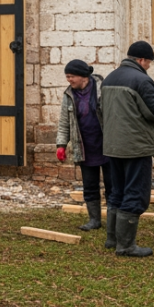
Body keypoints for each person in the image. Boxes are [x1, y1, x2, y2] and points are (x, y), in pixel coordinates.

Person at [100, 41, 154, 257]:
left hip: (113, 146)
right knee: (135, 193)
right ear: (142, 60)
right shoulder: (142, 80)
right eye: (148, 62)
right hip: (136, 147)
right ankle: (126, 246)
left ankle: (112, 239)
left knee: (117, 192)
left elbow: (100, 111)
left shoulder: (110, 78)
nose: (149, 66)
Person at [55, 59, 108, 232]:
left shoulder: (103, 89)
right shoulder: (69, 95)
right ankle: (94, 220)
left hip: (107, 146)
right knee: (90, 185)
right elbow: (64, 123)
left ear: (83, 76)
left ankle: (115, 222)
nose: (68, 80)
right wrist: (61, 144)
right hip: (85, 147)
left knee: (113, 186)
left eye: (71, 76)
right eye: (67, 76)